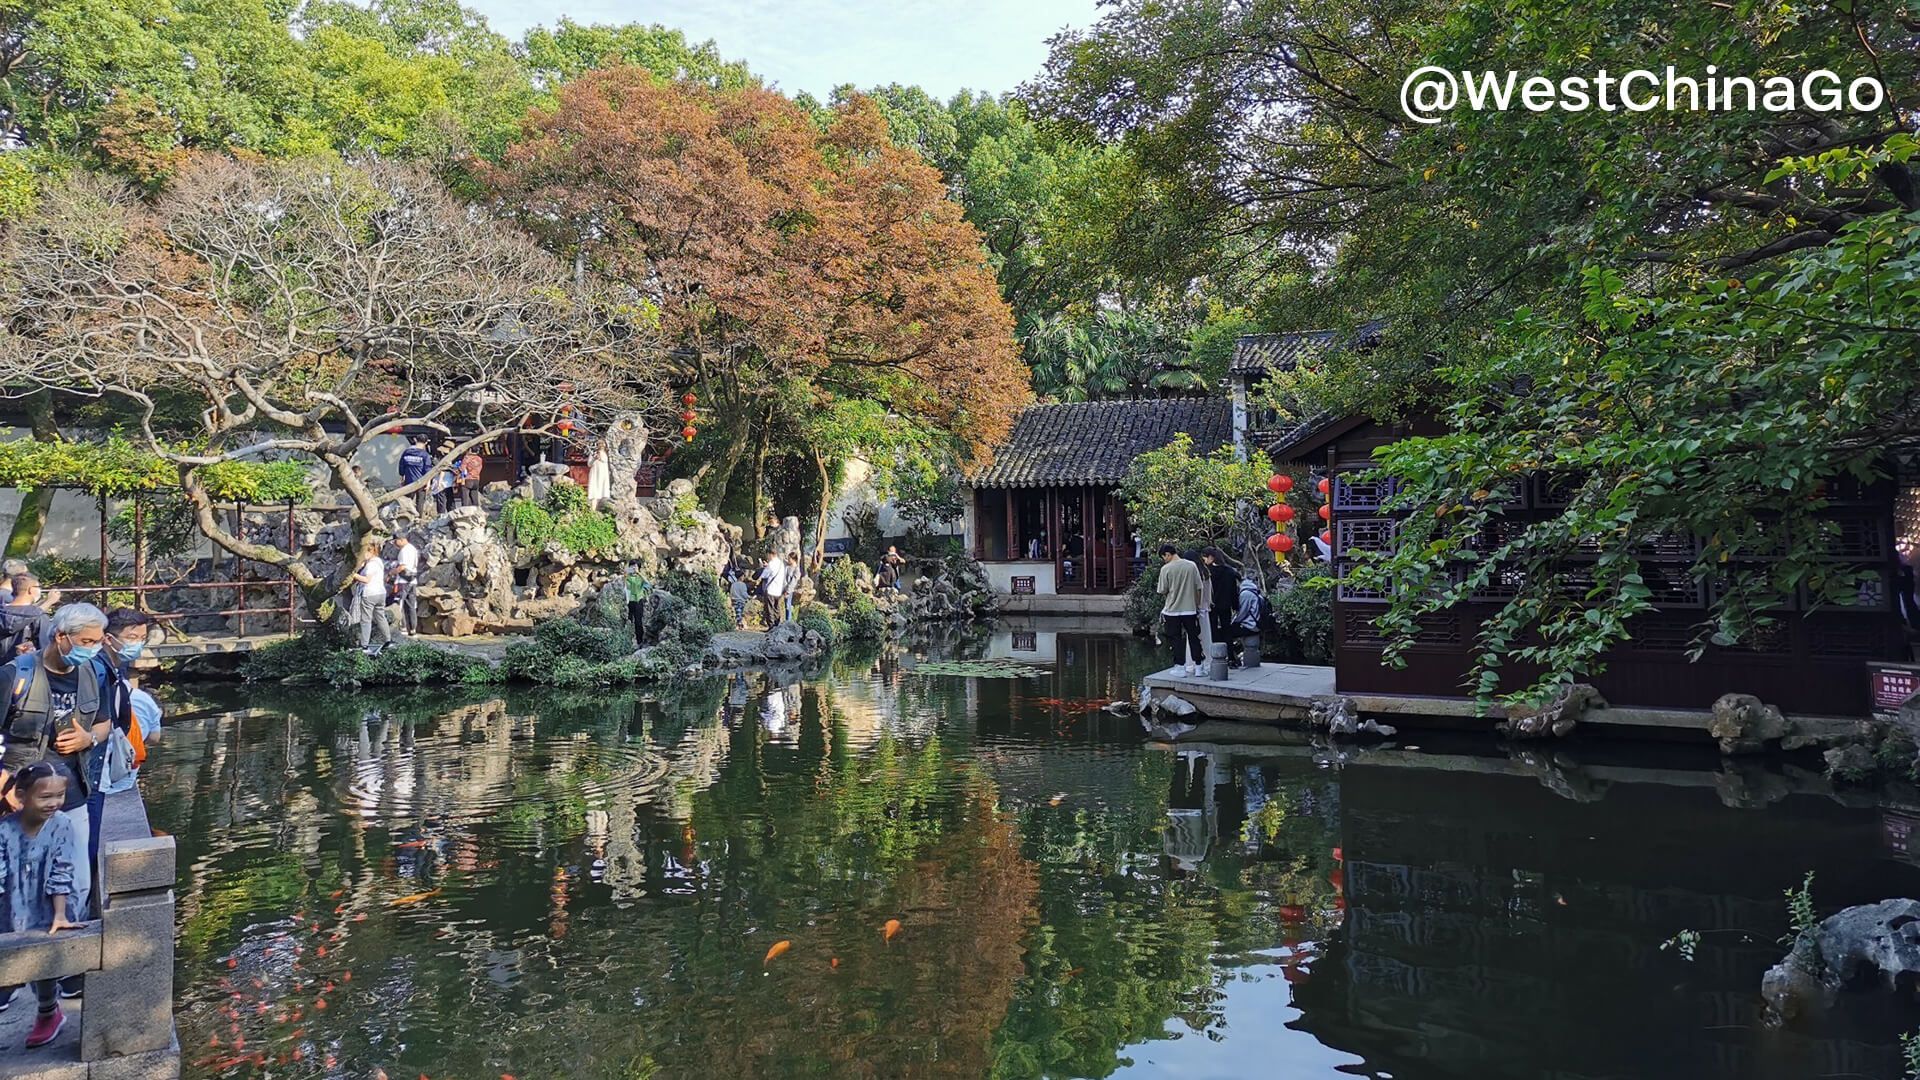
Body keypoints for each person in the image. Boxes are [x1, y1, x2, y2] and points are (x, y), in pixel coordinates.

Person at [0, 603, 129, 979]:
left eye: (96, 640)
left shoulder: (92, 671)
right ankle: (13, 973)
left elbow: (105, 724)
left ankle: (66, 968)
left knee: (74, 881)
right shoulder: (16, 674)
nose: (94, 647)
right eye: (86, 640)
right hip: (18, 798)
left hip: (73, 794)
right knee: (17, 884)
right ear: (61, 637)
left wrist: (89, 736)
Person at [0, 762, 89, 1044]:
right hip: (11, 905)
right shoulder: (5, 830)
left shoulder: (62, 825)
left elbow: (62, 869)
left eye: (59, 796)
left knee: (44, 961)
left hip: (50, 903)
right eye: (45, 797)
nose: (54, 803)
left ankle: (48, 1013)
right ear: (22, 795)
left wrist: (60, 913)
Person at [1155, 544, 1205, 676]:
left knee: (1176, 638)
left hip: (1172, 610)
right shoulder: (1191, 566)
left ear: (1167, 554)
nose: (1164, 559)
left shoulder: (1166, 569)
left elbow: (1162, 590)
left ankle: (1180, 667)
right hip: (1190, 609)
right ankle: (1199, 667)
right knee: (1194, 638)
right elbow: (1199, 587)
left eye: (1164, 557)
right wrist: (1197, 605)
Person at [350, 539, 392, 654]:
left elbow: (367, 579)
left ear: (370, 552)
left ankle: (364, 646)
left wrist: (353, 575)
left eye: (363, 553)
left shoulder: (371, 565)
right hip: (381, 593)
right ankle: (389, 640)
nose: (362, 556)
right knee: (380, 617)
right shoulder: (379, 562)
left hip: (370, 594)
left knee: (366, 620)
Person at [1202, 547, 1240, 662]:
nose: (1204, 559)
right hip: (1226, 605)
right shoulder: (1229, 571)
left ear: (1211, 558)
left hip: (1212, 605)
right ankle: (1231, 658)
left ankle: (1214, 658)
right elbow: (1234, 591)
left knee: (1213, 631)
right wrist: (1235, 606)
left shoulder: (1208, 572)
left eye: (1205, 557)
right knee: (1227, 631)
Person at [2, 575, 53, 658]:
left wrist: (45, 602)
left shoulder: (2, 612)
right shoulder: (39, 617)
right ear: (31, 590)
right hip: (25, 667)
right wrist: (49, 601)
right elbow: (45, 648)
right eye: (38, 587)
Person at [104, 608, 156, 677]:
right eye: (132, 637)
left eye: (143, 638)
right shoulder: (96, 671)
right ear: (109, 639)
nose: (139, 643)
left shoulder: (122, 666)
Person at [392, 535, 421, 637]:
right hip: (413, 580)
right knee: (411, 606)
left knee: (399, 605)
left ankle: (403, 628)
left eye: (396, 541)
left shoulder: (404, 550)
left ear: (402, 540)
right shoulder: (413, 549)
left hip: (403, 581)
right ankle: (413, 629)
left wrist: (391, 573)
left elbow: (402, 567)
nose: (395, 543)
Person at [398, 436, 435, 516]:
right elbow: (428, 470)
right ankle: (418, 519)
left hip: (409, 481)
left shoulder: (406, 452)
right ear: (426, 443)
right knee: (420, 502)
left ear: (415, 440)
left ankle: (407, 517)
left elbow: (401, 466)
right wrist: (428, 483)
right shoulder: (425, 455)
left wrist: (402, 476)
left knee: (407, 501)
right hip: (421, 482)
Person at [624, 564, 652, 647]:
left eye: (634, 567)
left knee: (638, 622)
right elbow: (624, 586)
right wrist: (625, 573)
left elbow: (647, 584)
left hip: (638, 601)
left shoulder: (640, 578)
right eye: (631, 567)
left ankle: (640, 642)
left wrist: (639, 573)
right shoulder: (628, 577)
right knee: (628, 621)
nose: (633, 569)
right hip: (628, 602)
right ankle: (627, 641)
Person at [758, 551, 786, 629]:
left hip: (770, 589)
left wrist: (763, 567)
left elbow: (764, 575)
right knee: (776, 608)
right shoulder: (781, 564)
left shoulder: (771, 564)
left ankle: (771, 626)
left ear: (771, 554)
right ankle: (777, 624)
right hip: (778, 590)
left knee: (769, 608)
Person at [783, 552, 804, 623]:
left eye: (789, 559)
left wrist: (788, 591)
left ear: (793, 559)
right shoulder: (787, 565)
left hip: (788, 590)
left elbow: (793, 582)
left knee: (787, 606)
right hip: (782, 588)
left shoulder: (796, 570)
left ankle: (788, 622)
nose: (788, 560)